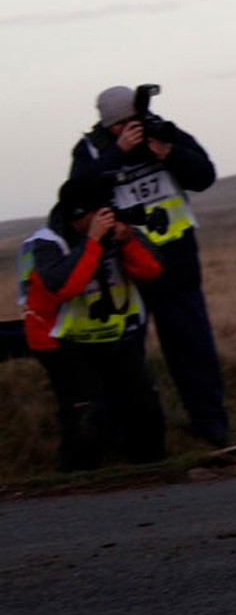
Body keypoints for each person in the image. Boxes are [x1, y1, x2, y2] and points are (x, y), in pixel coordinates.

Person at [68, 86, 228, 447]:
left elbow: (204, 176)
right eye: (121, 124)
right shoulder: (90, 150)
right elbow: (77, 196)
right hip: (124, 269)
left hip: (177, 262)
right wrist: (117, 153)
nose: (130, 127)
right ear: (107, 124)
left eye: (134, 119)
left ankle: (210, 423)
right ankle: (130, 436)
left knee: (192, 346)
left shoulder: (162, 132)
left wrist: (169, 152)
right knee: (124, 357)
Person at [18, 176, 168, 470]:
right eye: (96, 212)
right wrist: (93, 243)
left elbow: (151, 270)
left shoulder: (117, 230)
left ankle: (152, 470)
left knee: (145, 406)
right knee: (86, 414)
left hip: (113, 334)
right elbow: (64, 287)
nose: (105, 215)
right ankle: (78, 480)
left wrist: (128, 241)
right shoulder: (46, 243)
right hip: (60, 341)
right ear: (78, 215)